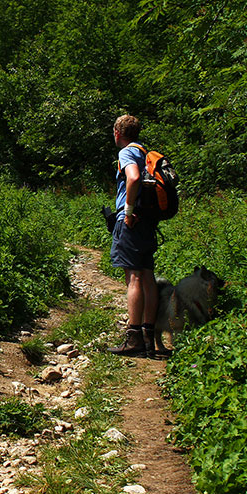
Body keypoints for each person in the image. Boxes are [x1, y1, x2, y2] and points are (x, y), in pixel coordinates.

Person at [107, 114, 159, 357]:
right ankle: (150, 336)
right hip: (148, 221)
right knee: (147, 276)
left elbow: (134, 177)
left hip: (133, 220)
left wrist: (127, 211)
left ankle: (134, 336)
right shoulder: (145, 152)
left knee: (134, 278)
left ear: (118, 132)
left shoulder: (127, 152)